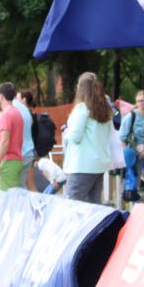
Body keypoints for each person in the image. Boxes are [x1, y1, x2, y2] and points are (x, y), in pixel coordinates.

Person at [63, 72, 113, 204]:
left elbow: (75, 137)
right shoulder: (105, 110)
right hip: (99, 165)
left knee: (71, 205)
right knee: (93, 206)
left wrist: (67, 132)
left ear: (81, 89)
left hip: (82, 166)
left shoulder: (82, 108)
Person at [0, 82, 24, 190]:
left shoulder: (5, 115)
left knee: (8, 196)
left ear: (1, 96)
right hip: (16, 159)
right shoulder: (17, 112)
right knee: (14, 193)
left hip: (8, 161)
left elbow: (5, 141)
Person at [14, 90, 37, 190]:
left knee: (29, 183)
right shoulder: (29, 113)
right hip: (30, 151)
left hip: (26, 151)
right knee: (27, 183)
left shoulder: (26, 114)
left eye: (17, 98)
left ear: (24, 99)